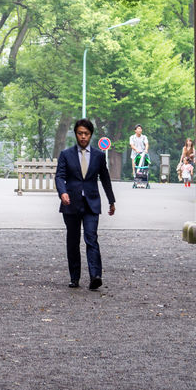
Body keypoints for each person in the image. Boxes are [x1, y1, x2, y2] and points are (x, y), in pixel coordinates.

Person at [55, 118, 115, 290]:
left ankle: (95, 275)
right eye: (80, 133)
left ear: (91, 135)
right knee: (73, 241)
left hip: (91, 203)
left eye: (86, 134)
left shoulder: (98, 156)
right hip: (71, 203)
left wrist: (111, 200)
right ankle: (74, 277)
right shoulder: (66, 155)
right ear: (75, 134)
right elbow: (59, 176)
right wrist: (63, 192)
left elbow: (105, 179)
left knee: (91, 238)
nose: (83, 137)